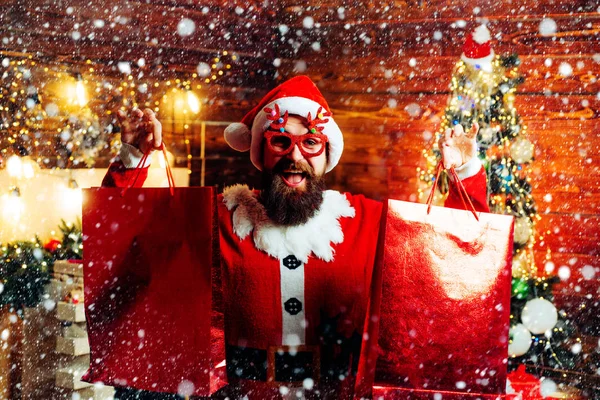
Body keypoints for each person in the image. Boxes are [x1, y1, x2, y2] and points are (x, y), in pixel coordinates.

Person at [100, 76, 489, 399]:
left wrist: (466, 170)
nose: (295, 156)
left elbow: (454, 257)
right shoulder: (221, 218)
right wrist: (133, 158)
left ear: (326, 153)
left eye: (310, 143)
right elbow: (129, 245)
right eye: (281, 142)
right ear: (261, 152)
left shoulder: (364, 221)